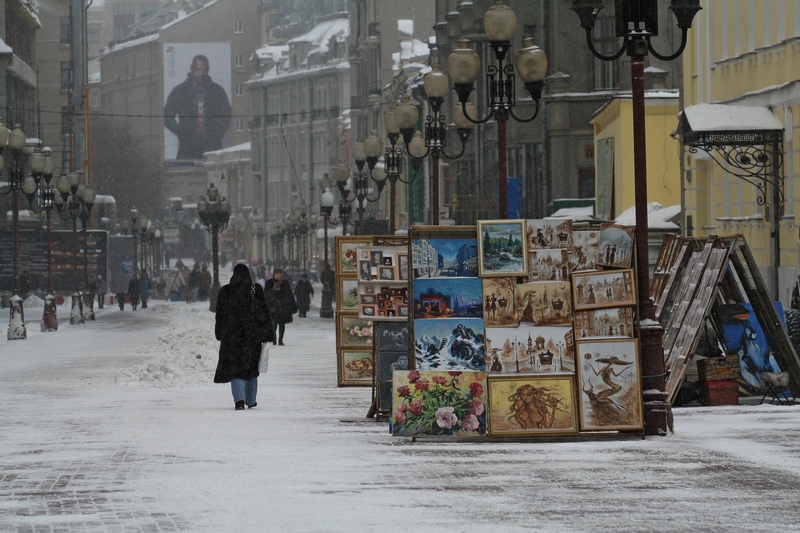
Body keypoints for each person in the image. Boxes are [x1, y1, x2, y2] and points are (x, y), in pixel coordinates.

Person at [214, 263, 275, 410]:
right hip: (252, 337)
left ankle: (239, 400)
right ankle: (251, 399)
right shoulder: (255, 289)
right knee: (251, 368)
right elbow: (265, 313)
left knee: (235, 369)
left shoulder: (225, 291)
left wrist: (220, 332)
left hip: (231, 337)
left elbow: (220, 316)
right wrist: (268, 334)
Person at [163, 54, 231, 160]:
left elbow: (226, 115)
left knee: (216, 174)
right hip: (187, 147)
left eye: (203, 71)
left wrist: (217, 134)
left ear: (208, 70)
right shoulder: (180, 91)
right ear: (191, 68)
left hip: (212, 146)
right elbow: (167, 115)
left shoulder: (217, 91)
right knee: (188, 175)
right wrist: (181, 132)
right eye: (197, 70)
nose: (200, 74)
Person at [264, 268, 297, 346]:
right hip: (273, 308)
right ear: (274, 275)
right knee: (274, 325)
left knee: (282, 324)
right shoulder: (269, 283)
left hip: (283, 307)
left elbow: (289, 294)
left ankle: (280, 340)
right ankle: (274, 339)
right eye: (276, 274)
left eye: (279, 274)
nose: (278, 276)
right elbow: (266, 295)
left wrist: (291, 305)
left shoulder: (285, 283)